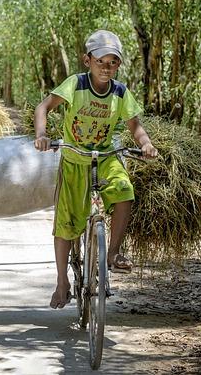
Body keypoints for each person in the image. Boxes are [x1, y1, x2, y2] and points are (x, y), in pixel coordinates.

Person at [34, 30, 158, 309]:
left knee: (125, 190)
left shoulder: (120, 92)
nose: (106, 66)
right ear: (87, 60)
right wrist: (41, 135)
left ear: (118, 65)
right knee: (66, 224)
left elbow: (135, 125)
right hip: (75, 158)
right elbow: (43, 107)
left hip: (105, 156)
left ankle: (113, 253)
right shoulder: (75, 85)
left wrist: (146, 143)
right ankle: (62, 282)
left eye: (113, 62)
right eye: (101, 60)